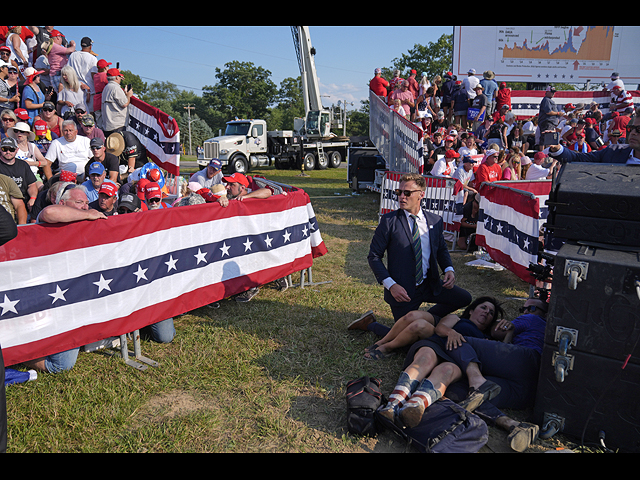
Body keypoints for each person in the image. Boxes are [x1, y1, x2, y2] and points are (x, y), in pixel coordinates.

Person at [375, 297, 504, 427]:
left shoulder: (486, 338)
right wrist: (451, 332)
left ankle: (414, 406)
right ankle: (392, 406)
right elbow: (440, 328)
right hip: (438, 345)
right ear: (471, 311)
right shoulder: (457, 319)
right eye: (483, 307)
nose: (487, 312)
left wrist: (509, 331)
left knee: (446, 371)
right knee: (425, 359)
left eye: (491, 313)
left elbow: (503, 353)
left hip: (458, 361)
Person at [367, 173, 472, 323]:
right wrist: (391, 285)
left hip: (429, 284)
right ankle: (371, 325)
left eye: (407, 193)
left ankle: (426, 319)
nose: (401, 197)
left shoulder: (435, 221)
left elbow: (441, 248)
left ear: (421, 194)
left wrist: (448, 269)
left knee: (464, 298)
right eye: (399, 192)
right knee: (406, 338)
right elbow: (374, 256)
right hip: (402, 290)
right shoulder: (389, 221)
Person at [549, 114, 640, 164]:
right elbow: (578, 158)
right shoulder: (613, 152)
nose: (633, 133)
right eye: (631, 128)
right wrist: (557, 148)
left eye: (639, 129)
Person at [0, 137, 38, 212]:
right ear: (0, 149)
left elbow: (32, 184)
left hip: (23, 201)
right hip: (4, 202)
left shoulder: (23, 165)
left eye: (11, 149)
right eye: (4, 149)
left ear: (17, 150)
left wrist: (33, 198)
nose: (8, 152)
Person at [67, 37, 98, 114]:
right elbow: (94, 75)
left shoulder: (73, 55)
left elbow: (68, 71)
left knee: (76, 112)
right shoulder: (93, 58)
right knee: (89, 114)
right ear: (90, 46)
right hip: (89, 89)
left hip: (75, 87)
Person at [101, 68, 133, 138]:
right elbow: (124, 104)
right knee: (118, 147)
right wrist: (128, 96)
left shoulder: (106, 88)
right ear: (116, 77)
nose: (121, 78)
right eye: (119, 76)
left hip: (107, 126)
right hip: (117, 125)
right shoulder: (116, 88)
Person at [92, 59, 111, 129]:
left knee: (99, 123)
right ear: (105, 68)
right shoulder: (104, 75)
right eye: (108, 66)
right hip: (103, 100)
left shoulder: (95, 76)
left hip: (96, 100)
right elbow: (111, 81)